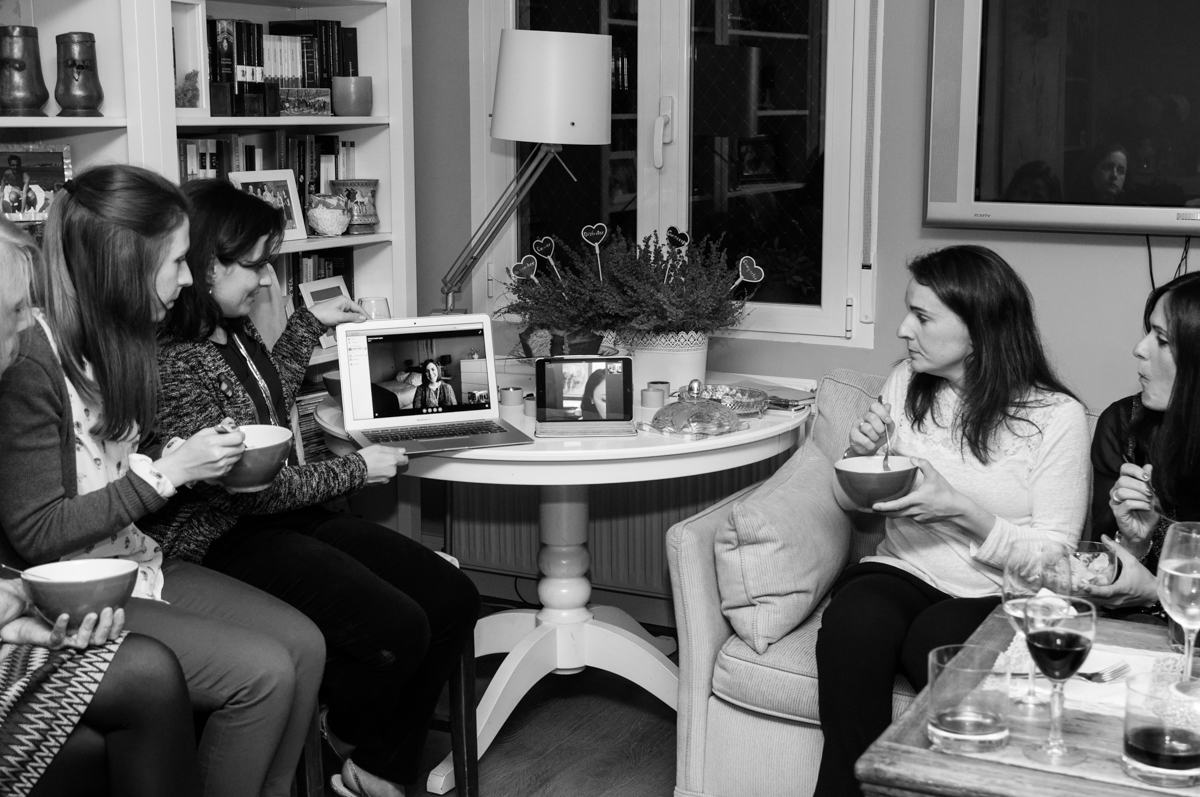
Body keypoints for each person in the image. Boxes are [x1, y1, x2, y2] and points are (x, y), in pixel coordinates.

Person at [0, 164, 326, 797]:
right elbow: (37, 532)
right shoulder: (30, 359)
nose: (188, 278)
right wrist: (167, 474)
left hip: (136, 559)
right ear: (126, 264)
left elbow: (114, 460)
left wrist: (173, 458)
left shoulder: (122, 342)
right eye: (177, 261)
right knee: (263, 674)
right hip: (76, 586)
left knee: (305, 647)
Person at [148, 179, 480, 797]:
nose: (266, 279)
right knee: (396, 628)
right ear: (209, 265)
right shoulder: (174, 360)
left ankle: (375, 768)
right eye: (256, 265)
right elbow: (246, 491)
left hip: (280, 516)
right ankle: (341, 740)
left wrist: (306, 326)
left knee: (453, 597)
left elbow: (266, 402)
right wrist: (356, 471)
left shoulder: (232, 329)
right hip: (221, 537)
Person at [814, 245, 1091, 797]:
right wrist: (859, 458)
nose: (903, 329)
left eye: (922, 317)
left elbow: (1057, 560)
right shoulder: (905, 383)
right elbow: (851, 505)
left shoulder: (1056, 418)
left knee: (936, 643)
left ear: (979, 330)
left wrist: (963, 511)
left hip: (997, 590)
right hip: (904, 569)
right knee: (853, 626)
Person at [0, 219, 201, 797]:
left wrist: (12, 611)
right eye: (15, 309)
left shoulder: (104, 353)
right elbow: (37, 528)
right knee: (150, 673)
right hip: (94, 566)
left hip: (119, 563)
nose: (27, 323)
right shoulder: (36, 367)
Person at [1084, 271, 1200, 617]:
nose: (1139, 348)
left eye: (1162, 340)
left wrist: (1155, 593)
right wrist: (1136, 542)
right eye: (1148, 331)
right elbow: (1103, 579)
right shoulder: (1124, 425)